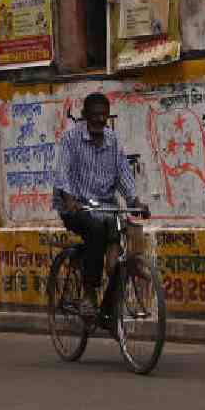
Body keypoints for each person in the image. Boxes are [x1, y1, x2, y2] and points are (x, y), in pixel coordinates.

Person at [52, 92, 149, 319]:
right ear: (85, 115)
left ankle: (111, 306)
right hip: (77, 207)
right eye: (94, 115)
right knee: (95, 230)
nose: (99, 120)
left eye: (104, 115)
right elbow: (62, 172)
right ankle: (88, 293)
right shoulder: (71, 139)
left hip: (105, 207)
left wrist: (134, 201)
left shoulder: (112, 139)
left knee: (124, 233)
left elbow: (123, 173)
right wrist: (68, 198)